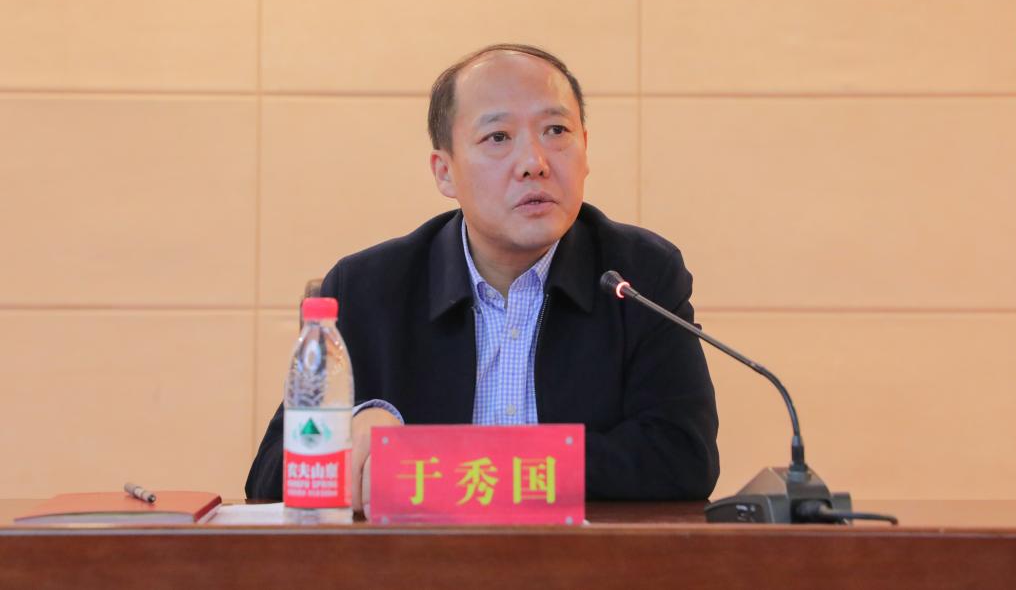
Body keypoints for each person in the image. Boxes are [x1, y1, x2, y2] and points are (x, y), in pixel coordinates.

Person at [246, 44, 719, 508]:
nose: (534, 163)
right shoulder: (368, 289)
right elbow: (268, 474)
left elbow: (684, 457)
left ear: (586, 150)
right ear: (445, 172)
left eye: (556, 130)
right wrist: (356, 429)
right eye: (498, 137)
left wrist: (453, 461)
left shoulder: (640, 276)